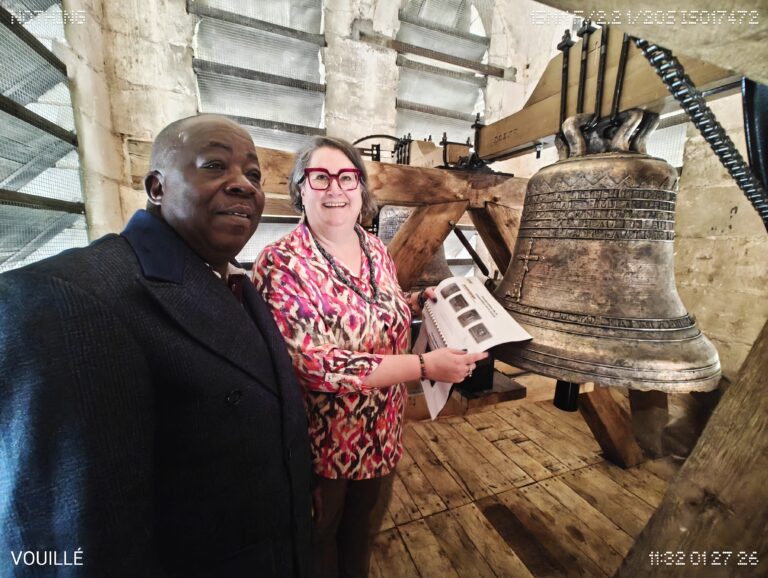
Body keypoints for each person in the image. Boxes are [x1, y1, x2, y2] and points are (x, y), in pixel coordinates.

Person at [0, 115, 312, 577]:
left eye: (253, 174)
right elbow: (75, 549)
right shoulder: (67, 299)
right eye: (214, 165)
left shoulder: (232, 282)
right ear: (157, 187)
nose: (243, 185)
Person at [253, 136, 487, 577]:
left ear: (361, 189)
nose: (335, 189)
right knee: (320, 539)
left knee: (361, 533)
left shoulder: (373, 247)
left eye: (347, 178)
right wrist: (422, 366)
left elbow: (380, 307)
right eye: (320, 177)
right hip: (323, 443)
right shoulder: (281, 262)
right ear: (300, 188)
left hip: (382, 430)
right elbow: (315, 365)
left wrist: (416, 303)